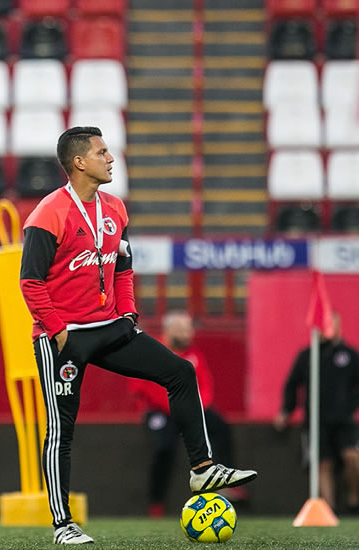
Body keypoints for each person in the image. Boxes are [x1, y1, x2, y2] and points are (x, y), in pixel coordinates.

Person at [19, 126, 257, 544]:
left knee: (181, 372)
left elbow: (123, 269)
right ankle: (63, 525)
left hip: (111, 327)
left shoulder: (115, 208)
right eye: (102, 152)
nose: (111, 159)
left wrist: (128, 314)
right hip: (64, 337)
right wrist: (58, 332)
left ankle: (202, 469)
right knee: (61, 430)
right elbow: (30, 283)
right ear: (79, 162)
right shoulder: (48, 213)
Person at [128, 311, 243, 518]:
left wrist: (197, 407)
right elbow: (142, 387)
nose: (187, 334)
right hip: (160, 412)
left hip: (190, 409)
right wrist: (175, 407)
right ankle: (156, 502)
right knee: (163, 447)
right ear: (168, 331)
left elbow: (205, 385)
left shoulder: (194, 354)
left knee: (220, 427)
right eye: (182, 330)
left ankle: (227, 482)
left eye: (189, 330)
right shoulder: (153, 351)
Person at [273, 313, 359, 513]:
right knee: (322, 463)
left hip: (344, 421)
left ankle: (354, 501)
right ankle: (330, 509)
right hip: (316, 421)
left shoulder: (350, 355)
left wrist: (350, 406)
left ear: (339, 327)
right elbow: (292, 384)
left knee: (352, 458)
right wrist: (286, 410)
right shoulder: (308, 355)